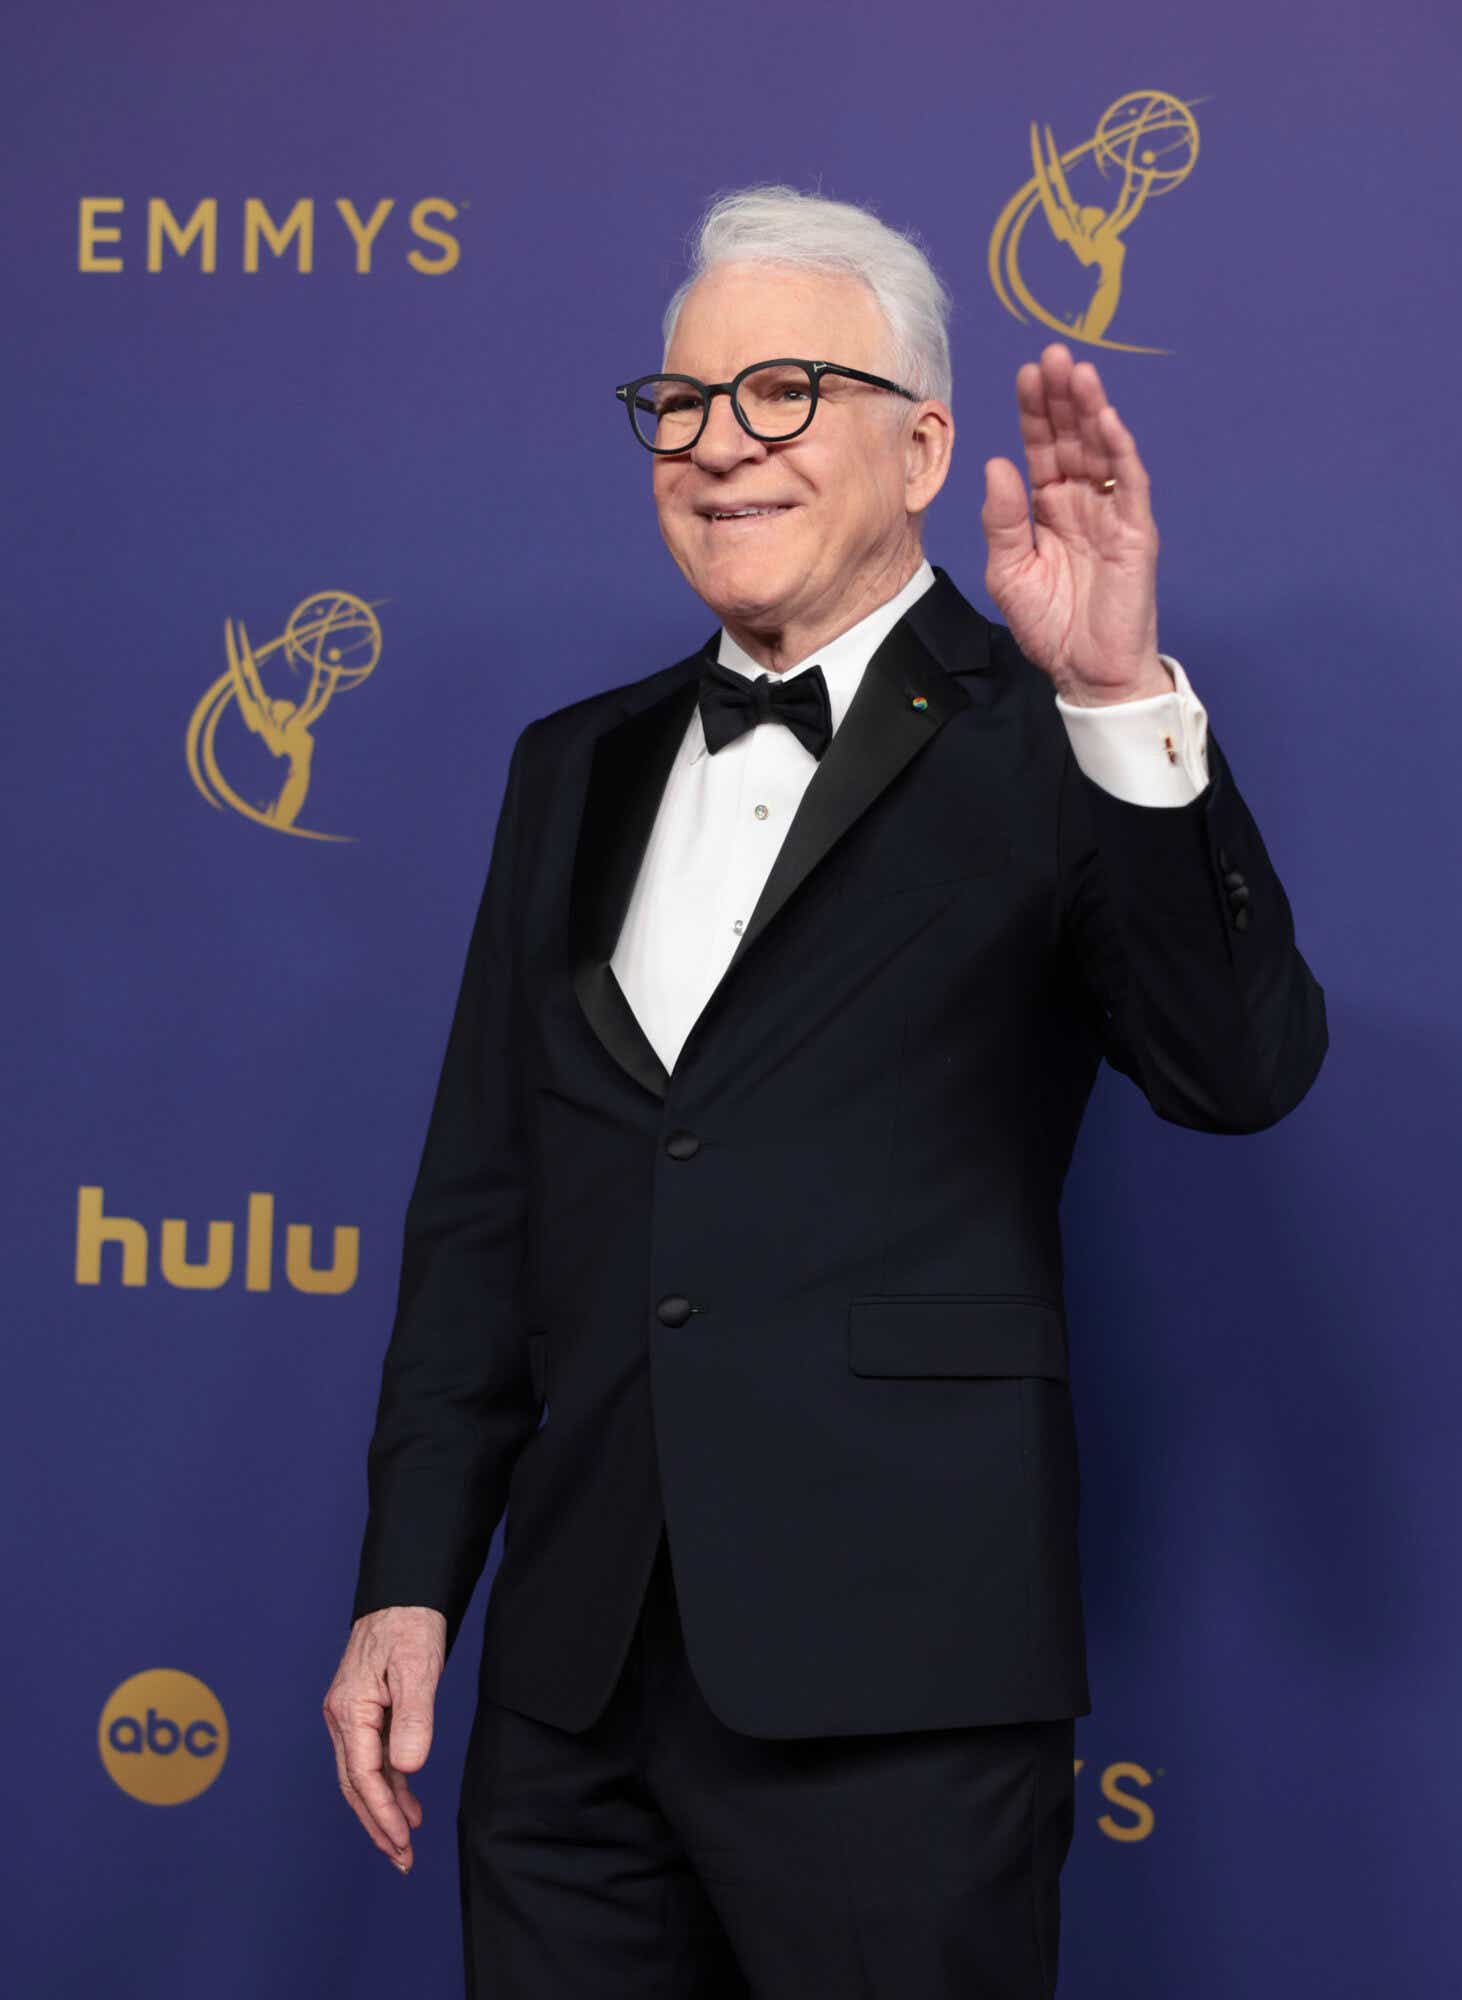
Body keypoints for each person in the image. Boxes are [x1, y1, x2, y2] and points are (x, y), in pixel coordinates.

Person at [323, 186, 1326, 1997]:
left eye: (782, 394)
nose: (718, 449)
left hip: (899, 1678)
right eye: (683, 404)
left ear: (923, 442)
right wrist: (409, 1583)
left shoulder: (1058, 733)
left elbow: (1239, 1071)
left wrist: (1115, 700)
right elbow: (480, 1203)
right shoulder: (574, 764)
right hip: (568, 1684)